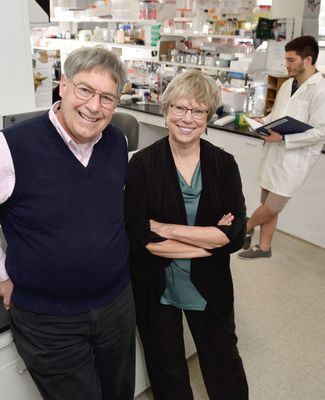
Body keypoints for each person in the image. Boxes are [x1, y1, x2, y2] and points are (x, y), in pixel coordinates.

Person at [0, 46, 135, 400]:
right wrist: (2, 273)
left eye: (107, 97)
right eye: (85, 90)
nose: (94, 106)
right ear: (63, 85)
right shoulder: (11, 146)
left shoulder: (117, 142)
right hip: (49, 321)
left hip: (116, 305)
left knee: (119, 392)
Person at [125, 70, 248, 400]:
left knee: (224, 366)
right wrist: (210, 241)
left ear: (208, 118)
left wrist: (167, 229)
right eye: (179, 108)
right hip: (156, 286)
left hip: (209, 284)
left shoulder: (224, 165)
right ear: (166, 112)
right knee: (167, 371)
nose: (187, 118)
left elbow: (235, 236)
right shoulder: (142, 166)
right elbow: (142, 240)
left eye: (198, 111)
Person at [238, 35, 325, 259]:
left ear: (308, 60)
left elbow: (321, 132)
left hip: (295, 158)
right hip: (274, 152)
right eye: (285, 59)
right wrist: (260, 123)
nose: (286, 64)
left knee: (272, 207)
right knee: (266, 203)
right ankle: (264, 248)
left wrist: (285, 140)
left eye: (291, 59)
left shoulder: (320, 90)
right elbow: (276, 115)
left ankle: (245, 226)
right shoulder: (287, 85)